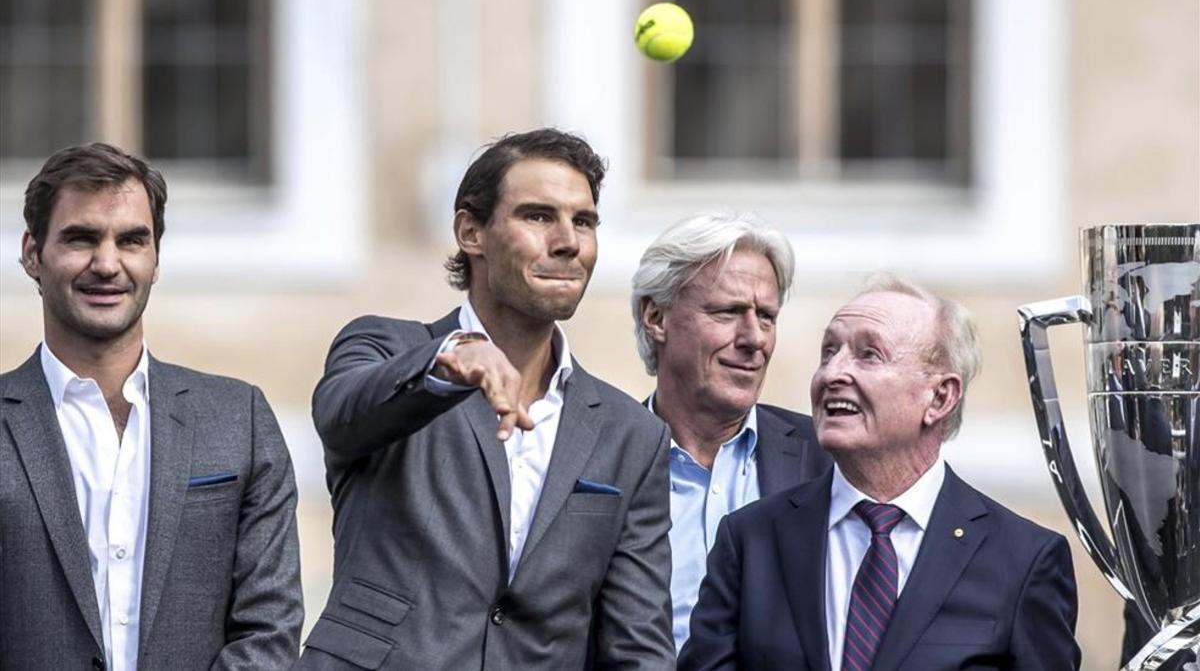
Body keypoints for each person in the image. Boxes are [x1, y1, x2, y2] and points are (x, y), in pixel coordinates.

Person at [299, 128, 674, 669]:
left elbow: (638, 645)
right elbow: (340, 416)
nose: (568, 240)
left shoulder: (630, 433)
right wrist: (449, 361)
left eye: (584, 221)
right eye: (539, 216)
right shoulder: (385, 348)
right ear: (471, 232)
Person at [0, 143, 303, 670]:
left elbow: (270, 630)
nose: (107, 263)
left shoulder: (239, 419)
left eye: (132, 240)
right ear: (32, 254)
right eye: (81, 238)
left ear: (155, 258)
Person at [679, 274, 1081, 671]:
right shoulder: (751, 539)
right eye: (828, 352)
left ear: (939, 397)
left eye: (869, 355)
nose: (832, 374)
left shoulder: (1023, 559)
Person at [630, 212, 831, 651]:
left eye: (767, 317)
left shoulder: (829, 460)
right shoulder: (600, 458)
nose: (754, 338)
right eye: (728, 312)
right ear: (656, 317)